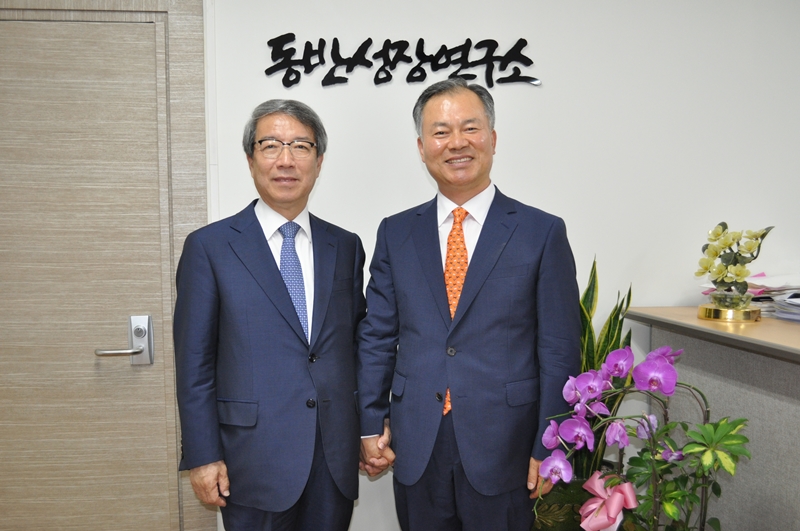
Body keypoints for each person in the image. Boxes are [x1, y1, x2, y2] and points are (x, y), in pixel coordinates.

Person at [357, 78, 582, 531]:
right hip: (417, 439)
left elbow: (559, 349)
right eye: (441, 132)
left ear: (492, 139)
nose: (456, 142)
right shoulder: (396, 233)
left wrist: (550, 442)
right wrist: (369, 422)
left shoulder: (541, 232)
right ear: (422, 147)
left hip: (507, 443)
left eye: (470, 128)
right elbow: (377, 336)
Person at [174, 99, 371, 531]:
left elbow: (357, 346)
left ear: (319, 161)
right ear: (250, 159)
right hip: (250, 460)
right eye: (271, 145)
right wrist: (203, 456)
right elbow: (194, 364)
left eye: (301, 146)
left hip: (332, 457)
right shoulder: (209, 247)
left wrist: (368, 427)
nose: (286, 160)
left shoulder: (346, 246)